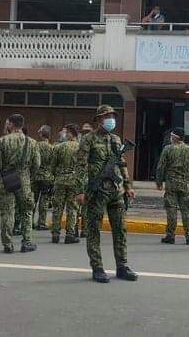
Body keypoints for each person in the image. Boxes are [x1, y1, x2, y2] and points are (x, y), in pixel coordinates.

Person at [76, 104, 138, 283]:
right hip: (97, 192)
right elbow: (81, 165)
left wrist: (128, 186)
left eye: (112, 116)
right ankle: (97, 267)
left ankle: (122, 266)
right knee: (94, 230)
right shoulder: (88, 139)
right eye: (106, 116)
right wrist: (80, 190)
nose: (110, 119)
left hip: (116, 192)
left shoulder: (117, 140)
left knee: (120, 229)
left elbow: (121, 163)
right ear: (98, 120)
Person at [0, 114, 41, 254]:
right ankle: (27, 242)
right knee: (26, 211)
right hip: (24, 179)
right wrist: (28, 175)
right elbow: (37, 164)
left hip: (7, 178)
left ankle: (7, 244)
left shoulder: (1, 141)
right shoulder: (32, 142)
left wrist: (0, 175)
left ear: (10, 124)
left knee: (7, 212)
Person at [156, 127, 189, 246]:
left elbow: (161, 167)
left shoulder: (168, 149)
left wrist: (159, 182)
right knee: (186, 211)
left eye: (171, 136)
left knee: (171, 210)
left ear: (175, 137)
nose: (170, 138)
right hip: (185, 185)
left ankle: (170, 235)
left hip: (171, 184)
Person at [51, 124, 84, 244]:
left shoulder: (59, 147)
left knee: (57, 208)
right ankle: (70, 234)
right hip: (74, 181)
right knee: (72, 208)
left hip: (60, 180)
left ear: (70, 133)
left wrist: (57, 175)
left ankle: (55, 234)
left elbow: (53, 165)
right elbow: (83, 167)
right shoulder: (81, 148)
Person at [32, 125, 55, 230]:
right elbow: (54, 163)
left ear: (41, 134)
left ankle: (29, 221)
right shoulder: (52, 148)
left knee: (33, 200)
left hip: (35, 177)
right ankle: (41, 222)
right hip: (47, 177)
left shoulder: (34, 146)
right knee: (44, 201)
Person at [78, 121, 94, 236]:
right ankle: (83, 230)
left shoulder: (79, 144)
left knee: (80, 206)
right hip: (83, 177)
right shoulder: (93, 143)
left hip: (85, 177)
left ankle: (77, 230)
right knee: (84, 206)